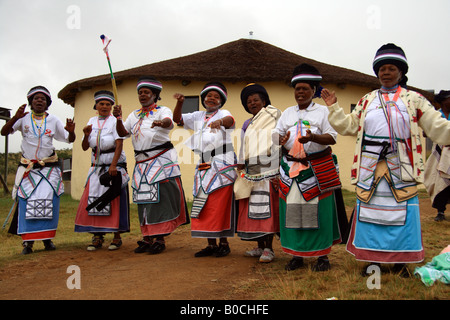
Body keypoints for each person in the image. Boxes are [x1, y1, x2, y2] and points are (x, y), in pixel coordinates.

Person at [322, 43, 450, 276]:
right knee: (372, 215)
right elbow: (349, 126)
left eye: (391, 68)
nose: (386, 72)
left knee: (401, 215)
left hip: (401, 164)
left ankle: (401, 263)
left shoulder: (415, 100)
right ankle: (374, 263)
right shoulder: (367, 100)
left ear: (401, 72)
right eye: (382, 68)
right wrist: (334, 108)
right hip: (370, 165)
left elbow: (437, 126)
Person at [273, 64, 347, 271]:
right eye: (297, 89)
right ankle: (297, 255)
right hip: (290, 168)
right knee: (293, 211)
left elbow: (332, 137)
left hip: (316, 168)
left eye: (305, 88)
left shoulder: (323, 112)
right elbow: (276, 136)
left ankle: (322, 257)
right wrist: (281, 138)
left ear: (314, 90)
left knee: (318, 212)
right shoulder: (287, 113)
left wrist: (312, 137)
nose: (300, 92)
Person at [113, 76, 189, 254]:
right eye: (140, 92)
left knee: (159, 199)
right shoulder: (133, 115)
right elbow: (123, 133)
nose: (142, 95)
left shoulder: (163, 110)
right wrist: (118, 118)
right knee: (143, 199)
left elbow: (169, 122)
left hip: (160, 160)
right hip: (141, 163)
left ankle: (160, 238)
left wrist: (160, 122)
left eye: (146, 92)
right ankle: (147, 238)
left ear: (155, 95)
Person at [1, 86, 76, 254]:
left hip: (49, 169)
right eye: (36, 98)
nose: (39, 101)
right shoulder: (23, 118)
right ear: (31, 102)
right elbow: (4, 132)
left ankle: (47, 240)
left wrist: (71, 132)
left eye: (43, 98)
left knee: (49, 202)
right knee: (27, 202)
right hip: (29, 169)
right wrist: (15, 118)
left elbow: (69, 139)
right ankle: (28, 243)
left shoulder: (53, 120)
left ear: (48, 102)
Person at [173, 82, 237, 257]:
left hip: (222, 160)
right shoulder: (197, 116)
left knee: (219, 202)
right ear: (203, 99)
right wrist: (180, 103)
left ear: (221, 101)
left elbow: (230, 121)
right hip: (203, 162)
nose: (212, 99)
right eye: (209, 96)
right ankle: (211, 244)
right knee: (204, 201)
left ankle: (224, 243)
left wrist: (220, 121)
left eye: (216, 96)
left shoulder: (223, 113)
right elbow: (177, 119)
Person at [74, 90, 130, 251]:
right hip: (96, 167)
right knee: (94, 199)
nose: (104, 107)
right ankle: (97, 236)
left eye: (108, 104)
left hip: (113, 166)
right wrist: (85, 135)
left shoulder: (115, 122)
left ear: (112, 106)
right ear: (96, 106)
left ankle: (116, 236)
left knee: (114, 200)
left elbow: (119, 144)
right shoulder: (91, 121)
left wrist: (113, 165)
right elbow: (86, 147)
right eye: (101, 104)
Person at [235, 83, 281, 263]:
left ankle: (269, 248)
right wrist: (240, 165)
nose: (252, 103)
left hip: (268, 167)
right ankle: (260, 246)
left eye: (255, 100)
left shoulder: (274, 115)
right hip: (251, 169)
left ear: (264, 101)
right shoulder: (248, 123)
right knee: (253, 208)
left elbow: (279, 139)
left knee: (266, 208)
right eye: (249, 101)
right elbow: (243, 146)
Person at [424, 90, 450, 222]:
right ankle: (440, 211)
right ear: (443, 101)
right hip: (438, 151)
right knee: (438, 181)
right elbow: (425, 132)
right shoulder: (435, 115)